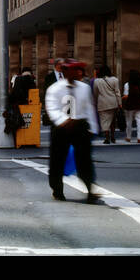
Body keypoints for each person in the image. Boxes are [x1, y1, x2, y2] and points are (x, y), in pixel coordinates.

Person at [45, 60, 102, 203]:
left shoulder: (84, 88)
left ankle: (90, 188)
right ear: (65, 72)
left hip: (80, 125)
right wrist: (62, 121)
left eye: (79, 69)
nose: (78, 72)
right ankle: (57, 190)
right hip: (61, 128)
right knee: (57, 159)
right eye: (74, 69)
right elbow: (52, 107)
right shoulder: (55, 89)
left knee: (84, 159)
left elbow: (89, 107)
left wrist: (93, 127)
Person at [93, 66, 122, 144]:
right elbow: (117, 92)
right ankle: (113, 137)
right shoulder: (115, 80)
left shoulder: (97, 81)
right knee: (113, 121)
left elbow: (95, 93)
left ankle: (107, 137)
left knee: (104, 121)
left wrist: (95, 102)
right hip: (113, 102)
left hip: (102, 103)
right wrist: (120, 103)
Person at [122, 69, 140, 143]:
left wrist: (122, 98)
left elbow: (126, 96)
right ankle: (139, 138)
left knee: (129, 121)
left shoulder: (127, 84)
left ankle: (128, 137)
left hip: (130, 104)